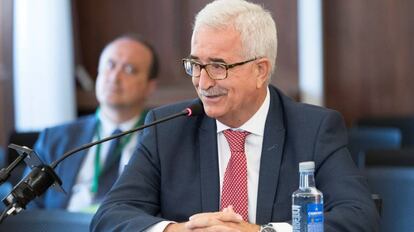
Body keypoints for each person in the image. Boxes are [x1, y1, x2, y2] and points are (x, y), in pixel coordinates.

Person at [91, 0, 379, 231]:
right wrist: (176, 231)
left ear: (260, 70)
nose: (203, 83)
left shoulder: (313, 129)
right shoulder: (168, 128)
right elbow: (110, 216)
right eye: (195, 64)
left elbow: (359, 217)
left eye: (218, 66)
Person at [26, 34, 159, 212]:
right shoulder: (56, 138)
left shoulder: (160, 140)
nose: (114, 77)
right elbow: (27, 206)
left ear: (150, 86)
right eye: (110, 65)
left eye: (129, 69)